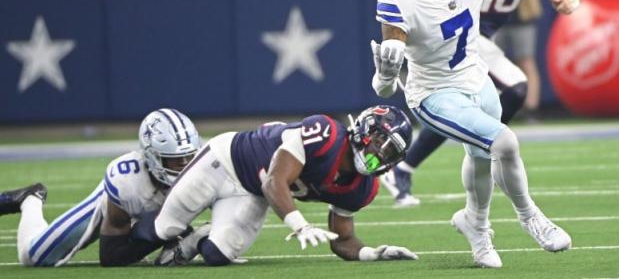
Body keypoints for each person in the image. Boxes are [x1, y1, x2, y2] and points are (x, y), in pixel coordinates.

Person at [370, 0, 617, 267]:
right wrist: (387, 75)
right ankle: (530, 215)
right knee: (504, 141)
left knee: (481, 157)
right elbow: (384, 91)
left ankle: (475, 224)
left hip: (475, 75)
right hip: (433, 93)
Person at [381, 0, 585, 207]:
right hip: (457, 29)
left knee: (497, 97)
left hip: (481, 34)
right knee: (516, 88)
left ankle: (417, 161)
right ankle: (472, 145)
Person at [131, 105, 418, 266]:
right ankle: (117, 230)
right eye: (380, 143)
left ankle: (196, 237)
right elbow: (274, 181)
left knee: (216, 255)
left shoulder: (362, 188)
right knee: (161, 230)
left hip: (253, 193)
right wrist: (301, 225)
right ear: (365, 130)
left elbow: (342, 240)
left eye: (390, 151)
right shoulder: (326, 135)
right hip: (226, 160)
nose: (380, 154)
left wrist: (372, 253)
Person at [0, 108, 202, 267]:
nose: (186, 165)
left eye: (190, 157)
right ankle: (30, 198)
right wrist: (162, 232)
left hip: (153, 205)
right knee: (33, 256)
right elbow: (110, 255)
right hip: (113, 204)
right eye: (175, 160)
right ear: (152, 157)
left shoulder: (206, 169)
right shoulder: (127, 181)